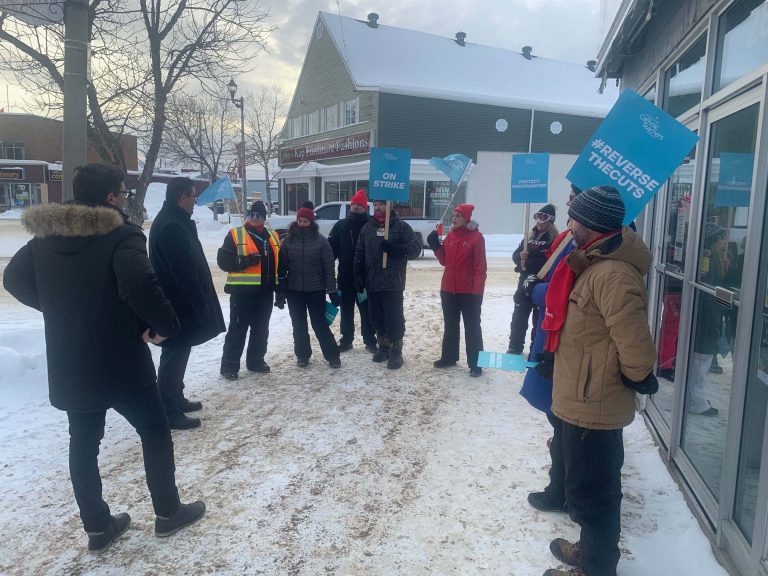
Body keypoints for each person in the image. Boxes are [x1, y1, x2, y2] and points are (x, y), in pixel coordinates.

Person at [3, 163, 205, 554]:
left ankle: (97, 527)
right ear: (111, 197)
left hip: (72, 360)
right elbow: (141, 282)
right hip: (121, 357)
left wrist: (59, 309)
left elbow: (14, 278)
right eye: (124, 193)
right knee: (155, 431)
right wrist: (164, 326)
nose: (126, 199)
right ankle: (168, 513)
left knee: (82, 443)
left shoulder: (46, 237)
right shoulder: (120, 234)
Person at [540, 185, 657, 576]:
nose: (568, 221)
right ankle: (590, 550)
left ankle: (595, 569)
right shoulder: (593, 262)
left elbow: (634, 340)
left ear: (590, 225)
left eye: (574, 217)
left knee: (595, 495)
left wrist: (639, 376)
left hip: (595, 404)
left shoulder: (612, 274)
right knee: (585, 488)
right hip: (581, 396)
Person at [520, 186, 581, 514]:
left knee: (563, 420)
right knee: (558, 419)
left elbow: (566, 290)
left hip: (562, 340)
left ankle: (564, 489)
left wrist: (536, 288)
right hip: (550, 335)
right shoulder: (571, 238)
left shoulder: (578, 243)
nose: (568, 201)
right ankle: (560, 483)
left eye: (574, 197)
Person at [149, 177, 225, 430]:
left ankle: (176, 399)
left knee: (180, 352)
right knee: (175, 353)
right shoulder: (171, 226)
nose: (195, 201)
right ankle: (168, 409)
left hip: (179, 303)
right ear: (182, 197)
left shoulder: (175, 221)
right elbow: (184, 272)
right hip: (179, 305)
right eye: (193, 196)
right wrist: (199, 304)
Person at [353, 199, 422, 369]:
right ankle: (383, 346)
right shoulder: (367, 228)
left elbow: (415, 249)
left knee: (394, 318)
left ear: (390, 206)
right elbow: (359, 252)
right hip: (373, 282)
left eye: (381, 204)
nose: (377, 208)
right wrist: (359, 275)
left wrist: (395, 249)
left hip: (393, 282)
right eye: (375, 205)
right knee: (376, 317)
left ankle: (396, 351)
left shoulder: (401, 227)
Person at [217, 200, 281, 380]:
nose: (254, 218)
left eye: (258, 215)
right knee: (238, 329)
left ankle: (255, 361)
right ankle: (229, 366)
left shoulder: (273, 237)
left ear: (264, 218)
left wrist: (280, 290)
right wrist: (245, 261)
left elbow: (280, 265)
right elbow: (223, 261)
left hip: (265, 293)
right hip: (242, 293)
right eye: (251, 214)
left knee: (261, 329)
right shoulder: (235, 235)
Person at [276, 207, 342, 368]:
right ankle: (303, 355)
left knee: (319, 324)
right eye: (300, 221)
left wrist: (332, 291)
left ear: (311, 222)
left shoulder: (321, 241)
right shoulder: (288, 241)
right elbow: (282, 269)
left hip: (315, 290)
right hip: (294, 291)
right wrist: (281, 292)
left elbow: (328, 268)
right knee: (298, 325)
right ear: (296, 221)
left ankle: (333, 355)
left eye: (306, 221)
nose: (302, 223)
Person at [427, 203, 487, 377]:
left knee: (473, 327)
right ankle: (449, 357)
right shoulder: (451, 235)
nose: (454, 218)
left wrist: (477, 293)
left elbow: (480, 268)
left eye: (458, 215)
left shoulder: (476, 238)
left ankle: (476, 363)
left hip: (468, 292)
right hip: (448, 289)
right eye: (454, 215)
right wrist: (435, 246)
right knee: (450, 325)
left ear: (467, 218)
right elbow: (445, 261)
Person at [687, 223, 730, 416]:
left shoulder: (715, 261)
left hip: (708, 318)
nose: (724, 242)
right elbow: (710, 292)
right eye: (722, 238)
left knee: (700, 364)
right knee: (700, 365)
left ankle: (695, 399)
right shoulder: (710, 261)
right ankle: (697, 402)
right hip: (706, 320)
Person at [328, 189, 378, 353]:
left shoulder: (372, 225)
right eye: (354, 204)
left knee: (367, 311)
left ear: (365, 207)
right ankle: (346, 339)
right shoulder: (340, 226)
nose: (356, 207)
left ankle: (370, 340)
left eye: (359, 205)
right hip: (345, 276)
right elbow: (331, 252)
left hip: (365, 278)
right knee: (346, 310)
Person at [507, 203, 558, 355]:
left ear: (550, 220)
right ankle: (515, 346)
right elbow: (516, 255)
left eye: (544, 217)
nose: (540, 220)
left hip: (539, 282)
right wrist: (519, 257)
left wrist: (526, 263)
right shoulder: (528, 237)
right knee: (519, 314)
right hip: (524, 281)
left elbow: (548, 262)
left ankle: (534, 348)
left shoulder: (553, 240)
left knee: (538, 317)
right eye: (538, 216)